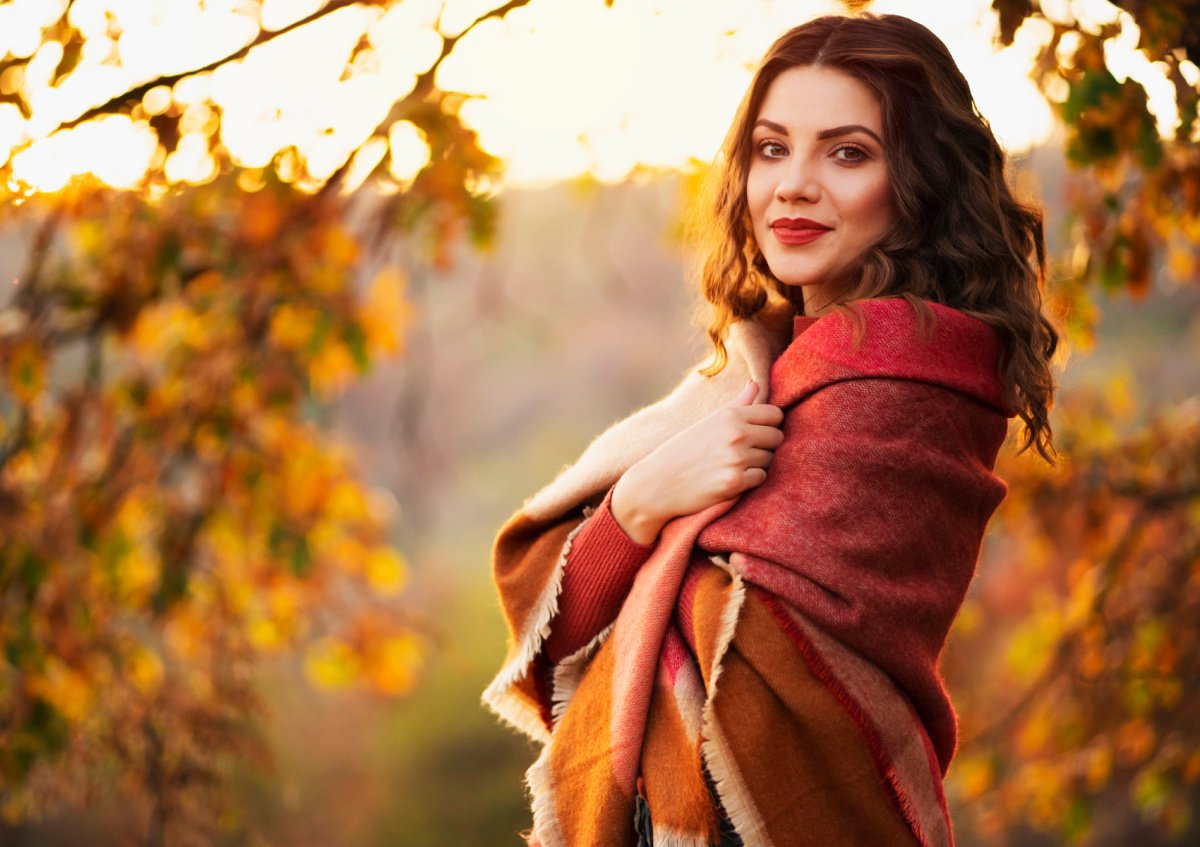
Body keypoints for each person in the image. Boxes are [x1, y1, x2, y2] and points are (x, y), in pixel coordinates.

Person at [484, 12, 1058, 847]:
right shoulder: (748, 377)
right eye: (771, 148)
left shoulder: (914, 371)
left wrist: (649, 534)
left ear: (920, 182)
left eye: (848, 152)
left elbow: (733, 635)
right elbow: (553, 630)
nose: (793, 184)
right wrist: (639, 503)